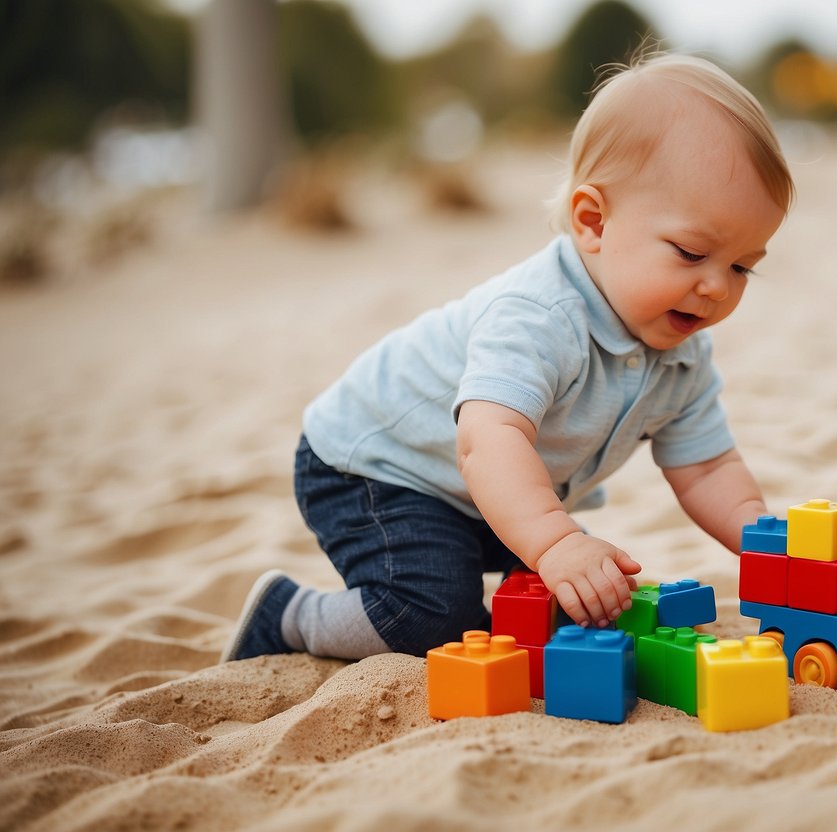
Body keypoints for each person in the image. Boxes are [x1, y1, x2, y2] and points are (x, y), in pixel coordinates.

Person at [222, 52, 795, 663]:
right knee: (431, 617)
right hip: (377, 466)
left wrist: (770, 546)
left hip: (487, 488)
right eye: (690, 253)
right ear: (593, 222)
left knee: (565, 600)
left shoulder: (683, 353)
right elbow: (486, 440)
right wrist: (555, 543)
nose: (716, 287)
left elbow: (707, 469)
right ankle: (286, 616)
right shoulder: (540, 316)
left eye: (740, 267)